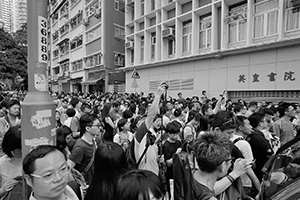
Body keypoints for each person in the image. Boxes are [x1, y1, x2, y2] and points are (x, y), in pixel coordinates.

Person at [134, 83, 167, 175]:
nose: (145, 122)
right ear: (137, 125)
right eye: (141, 121)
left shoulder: (152, 134)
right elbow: (151, 115)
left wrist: (159, 159)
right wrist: (158, 95)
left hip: (155, 176)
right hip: (144, 178)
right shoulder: (138, 136)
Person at [68, 113, 102, 185]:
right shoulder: (80, 148)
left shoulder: (93, 141)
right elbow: (69, 168)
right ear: (87, 128)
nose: (100, 128)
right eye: (98, 126)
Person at [248, 112, 274, 181]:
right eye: (266, 121)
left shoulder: (251, 135)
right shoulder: (260, 139)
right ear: (261, 123)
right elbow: (270, 155)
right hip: (262, 169)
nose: (267, 123)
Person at [0, 126, 22, 198]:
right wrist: (4, 189)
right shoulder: (2, 164)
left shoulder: (32, 160)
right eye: (19, 148)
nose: (22, 151)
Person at [162, 121, 182, 198]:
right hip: (171, 172)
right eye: (174, 134)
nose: (176, 135)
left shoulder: (178, 142)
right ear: (169, 133)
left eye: (177, 133)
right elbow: (168, 163)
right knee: (172, 193)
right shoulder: (166, 146)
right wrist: (176, 154)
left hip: (178, 170)